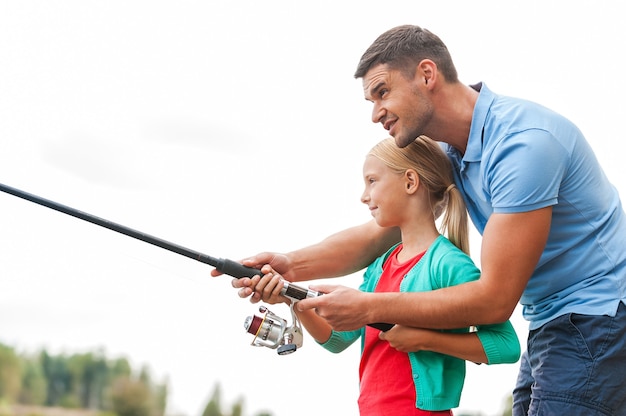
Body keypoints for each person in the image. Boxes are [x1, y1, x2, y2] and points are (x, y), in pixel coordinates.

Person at [216, 25, 626, 415]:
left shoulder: (523, 146)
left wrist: (368, 308)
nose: (376, 113)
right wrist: (289, 266)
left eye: (382, 93)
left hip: (599, 316)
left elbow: (496, 299)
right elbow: (380, 234)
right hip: (553, 322)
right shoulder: (450, 152)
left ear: (426, 74)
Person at [254, 136, 520, 415]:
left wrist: (425, 340)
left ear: (410, 182)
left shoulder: (448, 264)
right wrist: (291, 296)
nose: (364, 195)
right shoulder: (380, 266)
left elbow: (506, 345)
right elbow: (337, 340)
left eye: (372, 181)